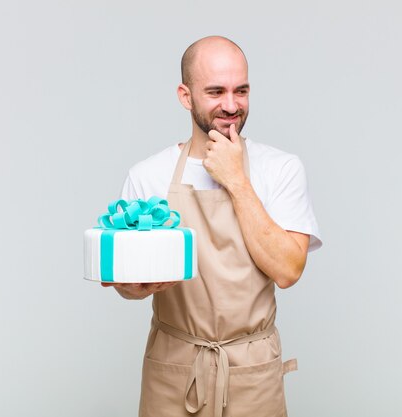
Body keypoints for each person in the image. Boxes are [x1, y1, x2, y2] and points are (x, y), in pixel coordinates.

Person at [103, 36, 322, 417]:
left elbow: (288, 270)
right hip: (175, 367)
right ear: (185, 96)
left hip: (251, 370)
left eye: (242, 91)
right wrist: (131, 287)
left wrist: (236, 180)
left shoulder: (281, 169)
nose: (231, 105)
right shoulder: (148, 176)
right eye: (216, 91)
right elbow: (127, 281)